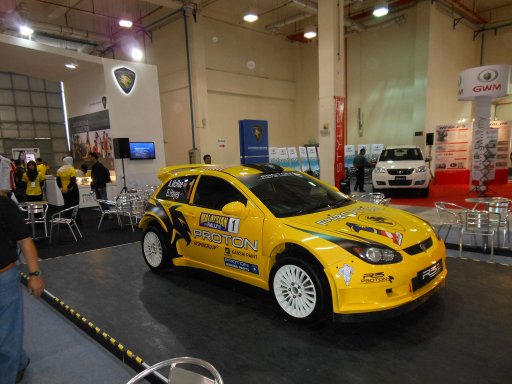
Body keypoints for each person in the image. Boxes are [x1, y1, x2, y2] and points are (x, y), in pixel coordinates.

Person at [0, 188, 45, 384]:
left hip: (4, 279)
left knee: (6, 338)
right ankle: (18, 361)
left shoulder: (4, 205)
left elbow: (24, 239)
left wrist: (34, 274)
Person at [56, 156, 81, 224]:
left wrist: (61, 188)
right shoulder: (71, 169)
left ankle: (68, 219)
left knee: (67, 204)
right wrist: (68, 188)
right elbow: (73, 181)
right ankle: (76, 220)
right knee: (75, 204)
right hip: (72, 189)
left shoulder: (59, 170)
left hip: (63, 190)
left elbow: (58, 181)